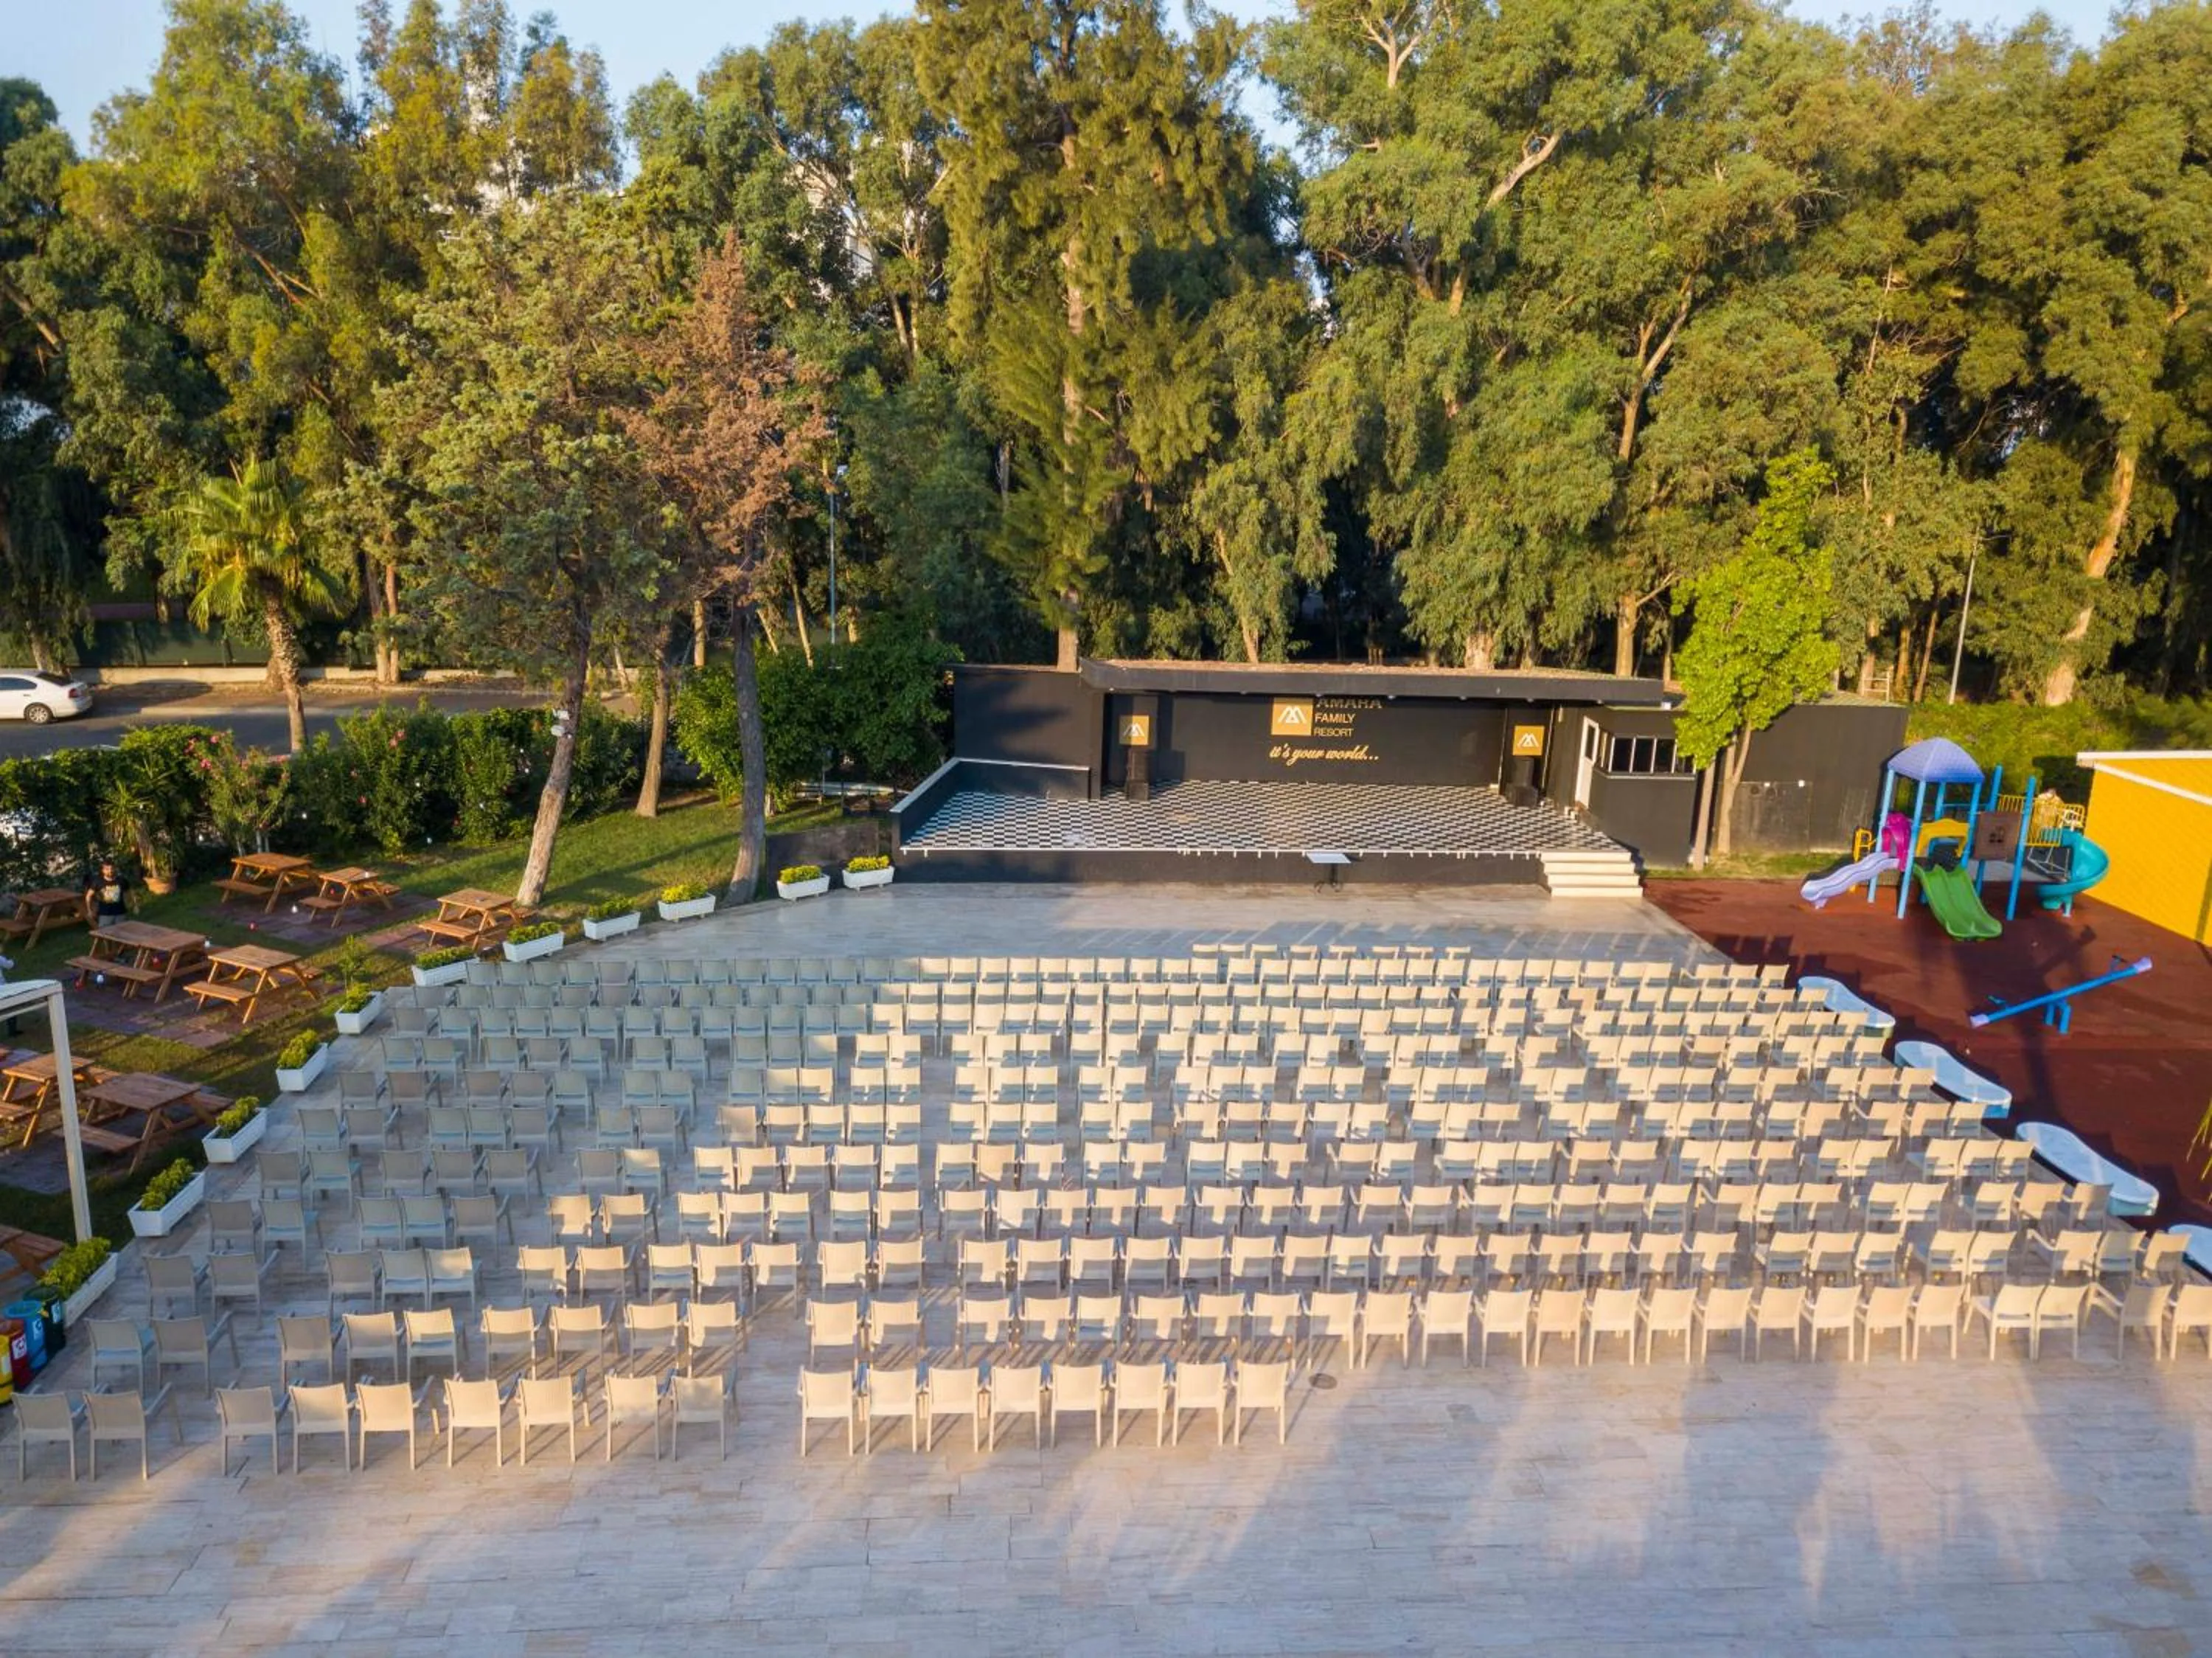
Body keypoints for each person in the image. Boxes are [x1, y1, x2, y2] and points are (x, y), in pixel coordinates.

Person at [84, 859, 131, 926]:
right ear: (103, 871)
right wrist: (89, 910)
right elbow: (88, 896)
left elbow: (129, 892)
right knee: (104, 934)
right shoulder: (98, 882)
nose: (110, 871)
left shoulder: (121, 880)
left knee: (122, 935)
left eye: (112, 868)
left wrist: (133, 904)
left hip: (120, 913)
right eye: (107, 869)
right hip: (105, 915)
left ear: (115, 868)